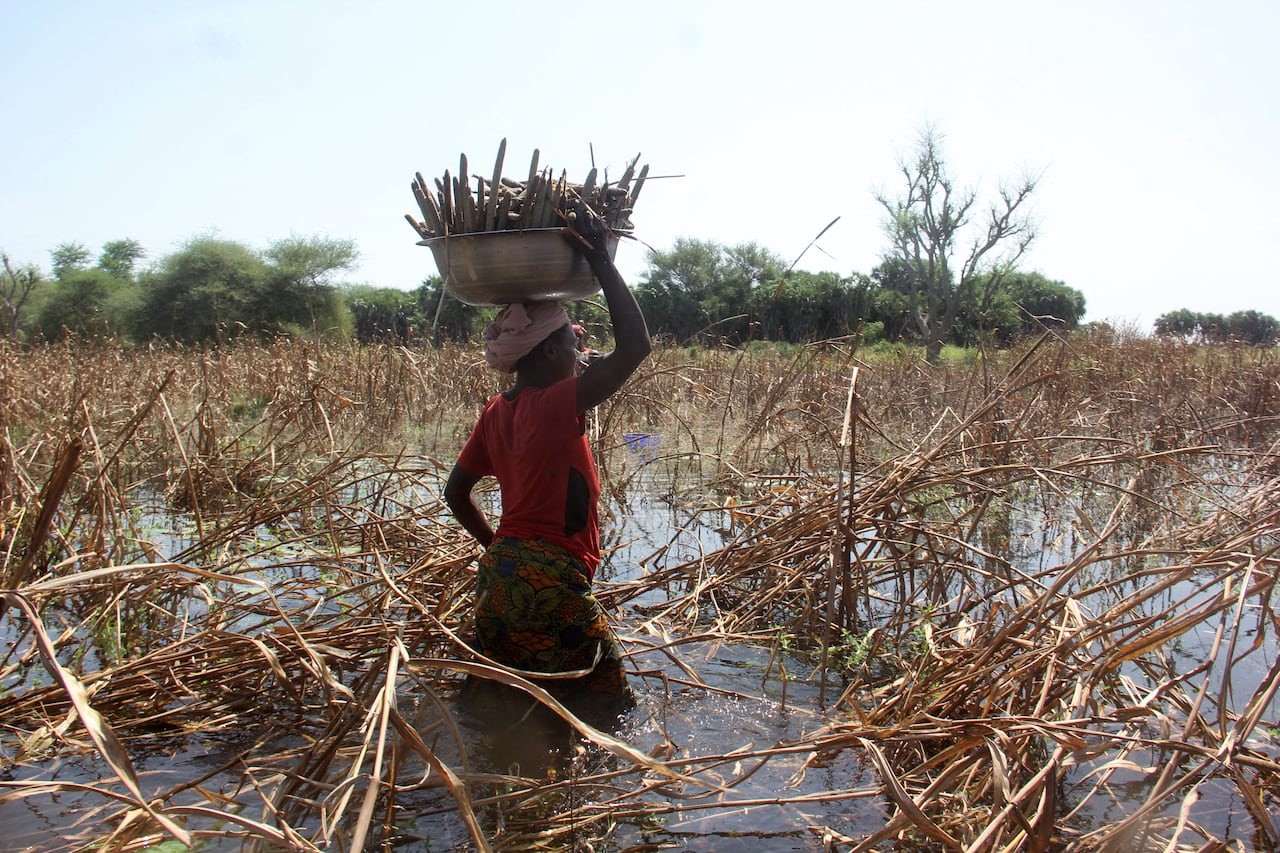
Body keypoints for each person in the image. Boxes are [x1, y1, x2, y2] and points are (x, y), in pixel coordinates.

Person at [444, 209, 651, 734]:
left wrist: (499, 549)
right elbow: (637, 347)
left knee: (512, 710)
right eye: (575, 346)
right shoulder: (557, 403)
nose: (582, 355)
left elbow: (455, 493)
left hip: (499, 579)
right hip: (549, 580)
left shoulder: (499, 410)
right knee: (608, 717)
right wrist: (600, 257)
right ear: (552, 350)